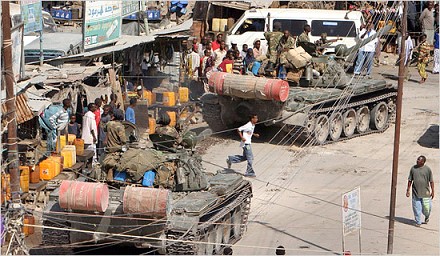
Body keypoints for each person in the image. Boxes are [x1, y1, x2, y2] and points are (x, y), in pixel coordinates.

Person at [406, 156, 434, 227]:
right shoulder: (413, 169)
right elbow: (410, 180)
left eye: (419, 160)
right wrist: (408, 190)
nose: (417, 160)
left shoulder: (427, 169)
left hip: (425, 193)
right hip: (416, 193)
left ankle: (427, 216)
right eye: (417, 159)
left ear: (423, 162)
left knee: (427, 208)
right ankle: (418, 221)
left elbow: (431, 181)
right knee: (417, 208)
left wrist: (433, 191)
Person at [103, 109, 126, 180]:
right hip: (117, 149)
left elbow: (104, 129)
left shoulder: (109, 124)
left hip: (109, 148)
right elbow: (123, 140)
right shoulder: (120, 126)